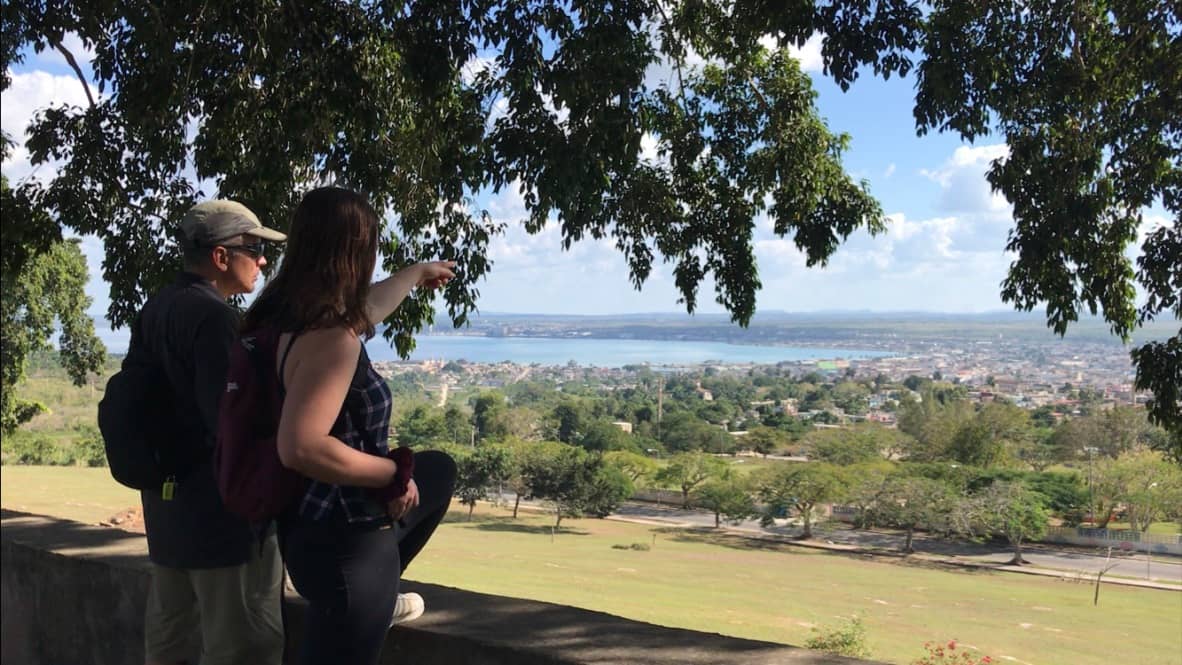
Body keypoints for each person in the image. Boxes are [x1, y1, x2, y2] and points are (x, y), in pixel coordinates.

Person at [239, 186, 458, 665]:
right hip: (348, 543)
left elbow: (367, 312)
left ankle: (381, 601)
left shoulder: (284, 319)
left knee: (438, 471)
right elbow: (300, 446)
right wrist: (390, 474)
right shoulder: (330, 341)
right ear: (356, 252)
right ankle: (376, 601)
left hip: (306, 527)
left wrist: (416, 273)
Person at [138, 200, 288, 665]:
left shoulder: (157, 307)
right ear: (221, 257)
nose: (263, 261)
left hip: (168, 515)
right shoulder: (215, 318)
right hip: (222, 523)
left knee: (170, 646)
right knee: (245, 647)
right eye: (254, 248)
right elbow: (231, 423)